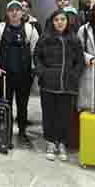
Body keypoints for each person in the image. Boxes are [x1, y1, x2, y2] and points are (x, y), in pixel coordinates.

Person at [34, 10, 85, 162]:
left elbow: (80, 61)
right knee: (49, 114)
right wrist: (41, 72)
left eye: (63, 19)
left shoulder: (74, 39)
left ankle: (61, 142)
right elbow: (37, 56)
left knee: (65, 115)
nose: (60, 22)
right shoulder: (45, 38)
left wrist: (74, 75)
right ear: (52, 22)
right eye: (57, 20)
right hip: (48, 84)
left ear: (67, 22)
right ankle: (50, 142)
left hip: (68, 85)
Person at [0, 0, 39, 148]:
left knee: (23, 105)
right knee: (6, 104)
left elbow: (36, 51)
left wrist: (34, 69)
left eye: (18, 10)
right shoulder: (0, 28)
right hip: (4, 75)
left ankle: (22, 133)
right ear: (7, 13)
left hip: (24, 74)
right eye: (11, 10)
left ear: (22, 12)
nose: (15, 12)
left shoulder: (30, 29)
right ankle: (6, 132)